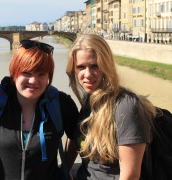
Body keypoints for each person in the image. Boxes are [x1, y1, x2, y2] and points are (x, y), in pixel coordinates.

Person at [0, 39, 79, 180]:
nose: (33, 81)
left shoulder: (61, 104)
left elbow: (77, 138)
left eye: (41, 74)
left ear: (48, 77)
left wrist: (65, 168)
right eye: (26, 73)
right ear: (14, 73)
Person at [66, 34, 156, 180]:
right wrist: (65, 170)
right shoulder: (89, 99)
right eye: (80, 67)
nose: (87, 74)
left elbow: (130, 176)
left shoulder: (127, 106)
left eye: (95, 66)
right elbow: (77, 138)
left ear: (106, 65)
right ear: (73, 70)